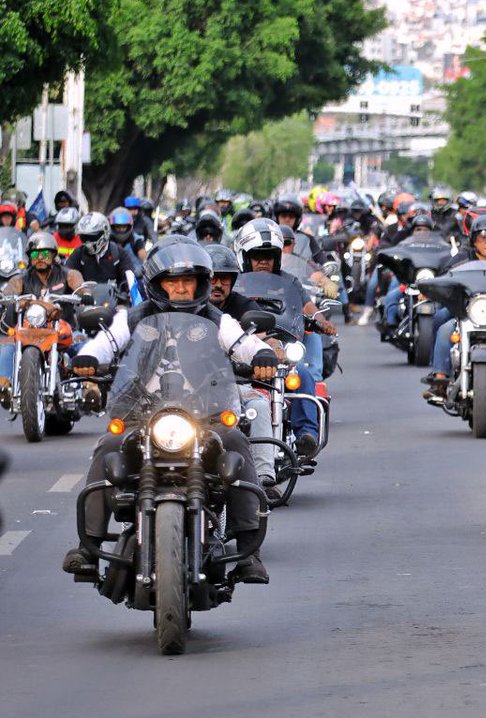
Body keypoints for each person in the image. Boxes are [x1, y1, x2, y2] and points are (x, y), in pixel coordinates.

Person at [63, 240, 276, 583]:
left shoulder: (215, 319)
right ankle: (86, 549)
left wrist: (262, 356)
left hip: (204, 414)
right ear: (158, 284)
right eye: (172, 281)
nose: (180, 288)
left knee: (236, 441)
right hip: (141, 414)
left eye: (187, 281)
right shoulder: (134, 317)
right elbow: (106, 343)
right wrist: (88, 358)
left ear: (200, 283)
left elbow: (244, 343)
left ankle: (249, 552)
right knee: (106, 448)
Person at [233, 219, 337, 458]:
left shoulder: (288, 280)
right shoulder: (234, 283)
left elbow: (306, 305)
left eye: (268, 256)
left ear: (277, 258)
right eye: (257, 256)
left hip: (281, 345)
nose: (263, 261)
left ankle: (306, 434)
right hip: (244, 348)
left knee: (301, 374)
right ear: (245, 257)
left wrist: (321, 322)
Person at [422, 215, 486, 402]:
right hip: (465, 312)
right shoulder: (460, 260)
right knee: (443, 326)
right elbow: (445, 280)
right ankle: (440, 379)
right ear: (473, 240)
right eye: (483, 238)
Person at [205, 243, 279, 496]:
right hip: (188, 387)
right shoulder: (183, 310)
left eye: (224, 278)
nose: (217, 284)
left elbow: (257, 339)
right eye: (212, 277)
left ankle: (263, 478)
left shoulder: (241, 308)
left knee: (257, 405)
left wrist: (267, 352)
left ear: (233, 281)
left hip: (234, 382)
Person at [0, 232, 86, 395]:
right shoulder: (22, 279)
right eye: (35, 254)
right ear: (30, 257)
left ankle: (90, 388)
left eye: (45, 253)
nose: (40, 257)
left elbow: (79, 285)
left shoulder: (67, 274)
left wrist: (85, 293)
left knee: (84, 345)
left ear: (53, 254)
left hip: (63, 329)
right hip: (29, 331)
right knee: (7, 346)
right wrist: (4, 296)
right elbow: (10, 290)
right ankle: (5, 386)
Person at [64, 212, 139, 291]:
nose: (88, 243)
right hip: (84, 300)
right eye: (84, 238)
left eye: (92, 237)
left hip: (114, 301)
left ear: (105, 233)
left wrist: (125, 293)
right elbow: (66, 272)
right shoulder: (79, 252)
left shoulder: (119, 253)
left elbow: (129, 278)